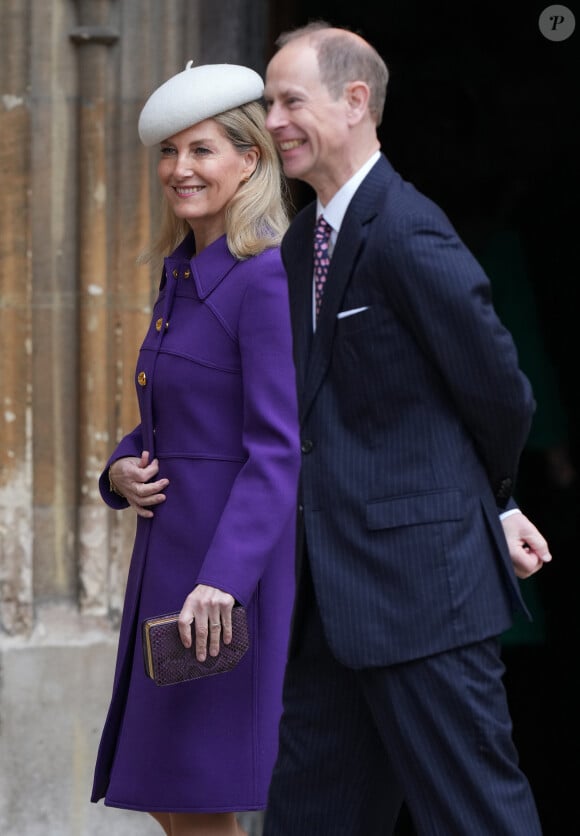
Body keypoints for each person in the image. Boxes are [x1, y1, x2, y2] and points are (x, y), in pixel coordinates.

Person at [261, 21, 552, 835]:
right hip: (329, 600)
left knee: (475, 817)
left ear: (355, 102)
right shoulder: (299, 244)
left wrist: (490, 503)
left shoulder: (408, 229)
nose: (274, 119)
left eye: (291, 100)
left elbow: (502, 393)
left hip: (424, 591)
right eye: (267, 102)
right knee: (309, 818)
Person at [90, 61, 300, 836]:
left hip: (222, 574)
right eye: (169, 152)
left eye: (202, 150)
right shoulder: (181, 273)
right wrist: (118, 467)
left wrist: (223, 580)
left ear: (251, 159)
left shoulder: (265, 278)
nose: (180, 169)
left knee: (199, 795)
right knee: (166, 792)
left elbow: (279, 448)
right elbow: (175, 413)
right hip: (168, 562)